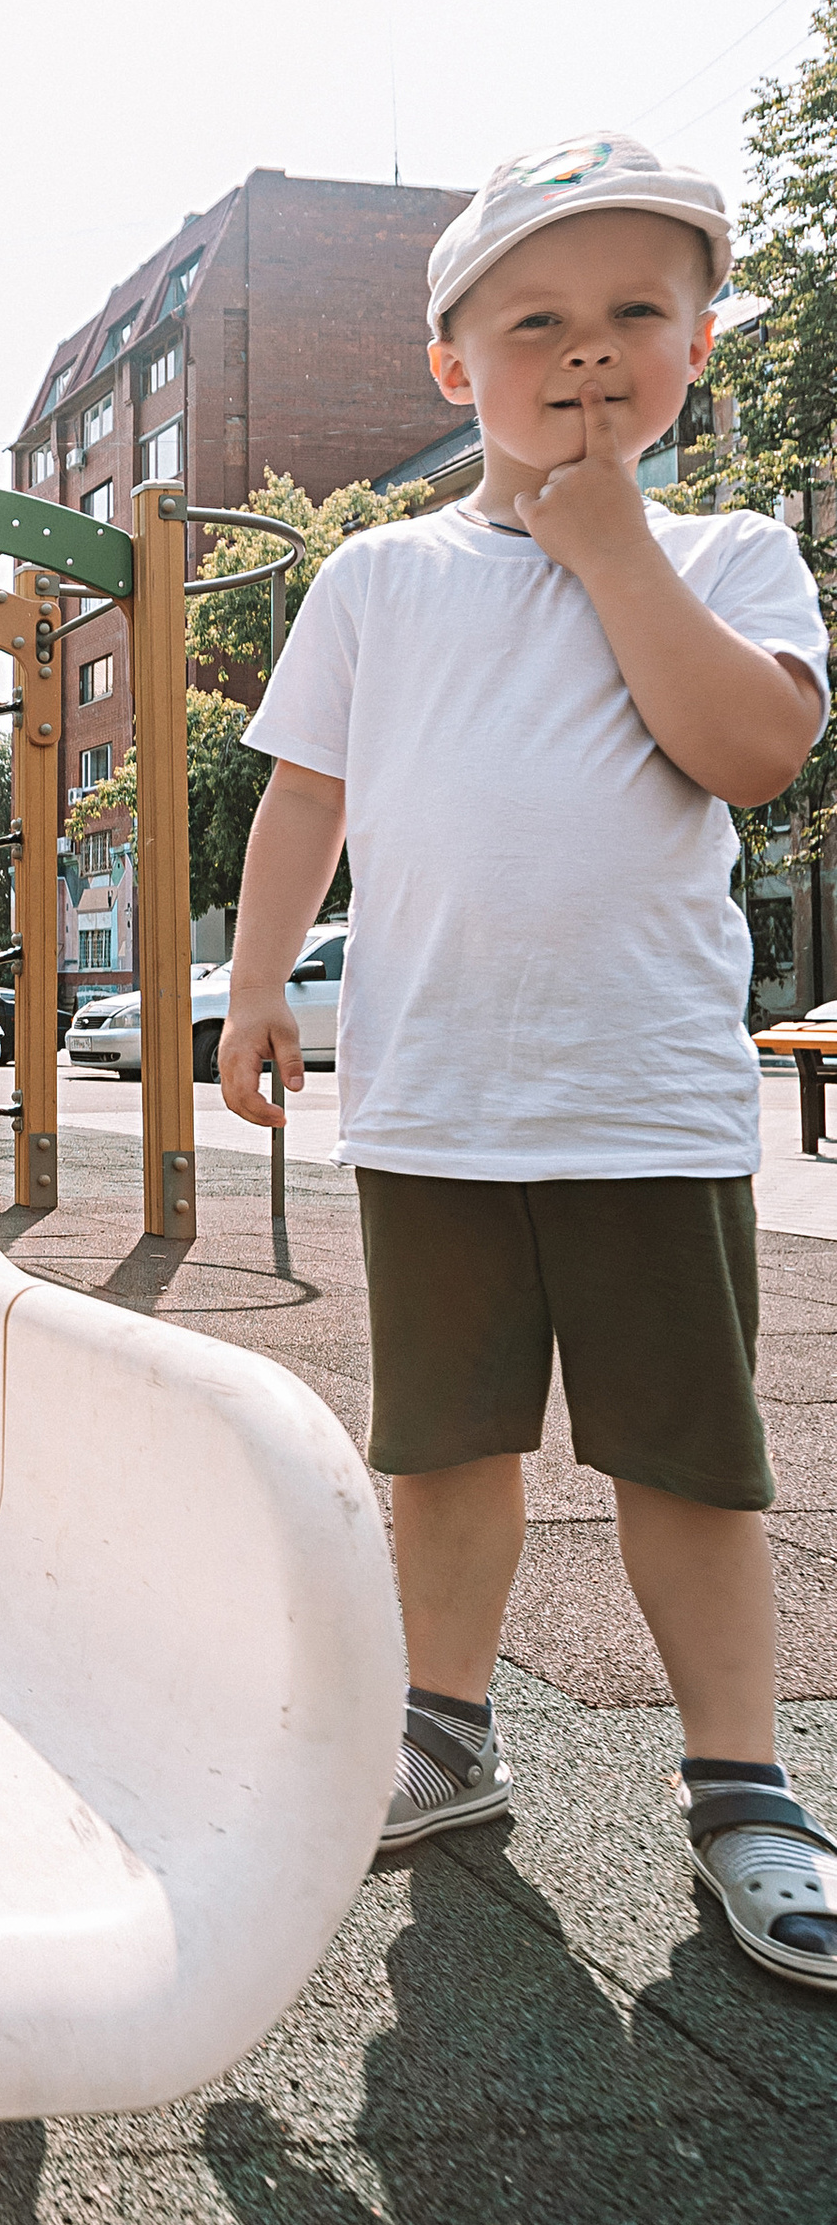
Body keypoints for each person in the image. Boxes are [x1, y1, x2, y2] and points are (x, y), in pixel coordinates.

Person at [219, 133, 835, 1990]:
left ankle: (744, 1789)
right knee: (448, 1450)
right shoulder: (382, 577)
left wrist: (614, 546)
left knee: (689, 1461)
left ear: (700, 345)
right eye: (536, 320)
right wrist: (250, 985)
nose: (586, 354)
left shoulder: (733, 552)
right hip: (437, 1101)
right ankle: (444, 1728)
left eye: (636, 312)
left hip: (644, 1100)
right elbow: (304, 795)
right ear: (451, 366)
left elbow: (750, 755)